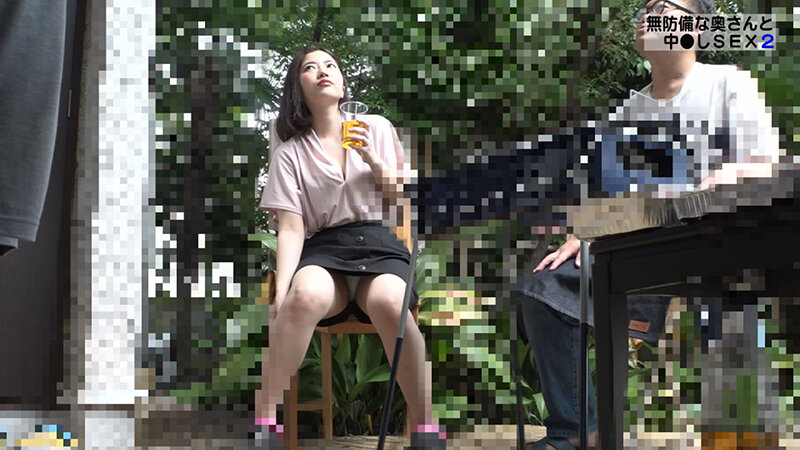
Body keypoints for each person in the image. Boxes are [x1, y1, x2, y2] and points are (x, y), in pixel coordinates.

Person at [514, 0, 781, 448]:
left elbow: (767, 164)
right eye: (645, 9)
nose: (646, 16)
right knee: (544, 290)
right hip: (641, 243)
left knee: (731, 294)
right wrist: (584, 233)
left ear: (696, 28)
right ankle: (578, 432)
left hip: (717, 235)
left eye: (663, 7)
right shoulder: (629, 112)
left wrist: (728, 174)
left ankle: (743, 437)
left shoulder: (728, 83)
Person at [251, 44, 443, 449]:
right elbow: (291, 227)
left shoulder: (376, 127)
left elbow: (402, 199)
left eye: (330, 65)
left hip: (380, 243)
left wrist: (371, 157)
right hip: (326, 249)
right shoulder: (289, 154)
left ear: (341, 82)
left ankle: (426, 429)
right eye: (310, 67)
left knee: (391, 302)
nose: (323, 71)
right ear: (298, 87)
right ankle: (265, 426)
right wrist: (281, 290)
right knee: (303, 296)